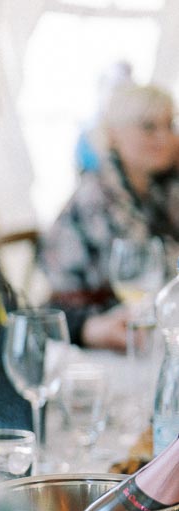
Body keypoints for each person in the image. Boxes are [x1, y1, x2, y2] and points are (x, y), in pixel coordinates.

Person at [44, 83, 179, 344]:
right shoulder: (100, 192)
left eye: (170, 125)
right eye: (148, 127)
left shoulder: (156, 186)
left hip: (136, 322)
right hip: (84, 331)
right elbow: (154, 271)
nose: (164, 137)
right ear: (113, 135)